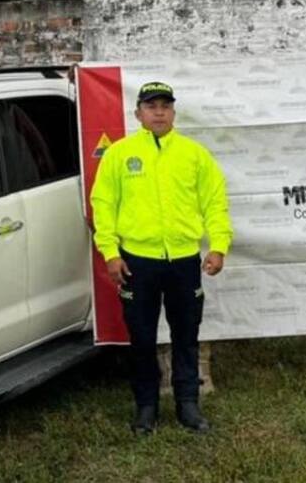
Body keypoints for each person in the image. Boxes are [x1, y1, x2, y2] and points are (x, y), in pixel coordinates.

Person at [90, 81, 233, 435]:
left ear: (173, 112)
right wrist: (110, 252)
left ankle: (188, 405)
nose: (158, 112)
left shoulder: (194, 154)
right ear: (137, 113)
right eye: (151, 106)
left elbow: (215, 201)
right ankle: (146, 408)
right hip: (137, 261)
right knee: (141, 338)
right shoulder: (120, 154)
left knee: (186, 334)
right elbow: (102, 205)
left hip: (184, 261)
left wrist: (218, 245)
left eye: (165, 106)